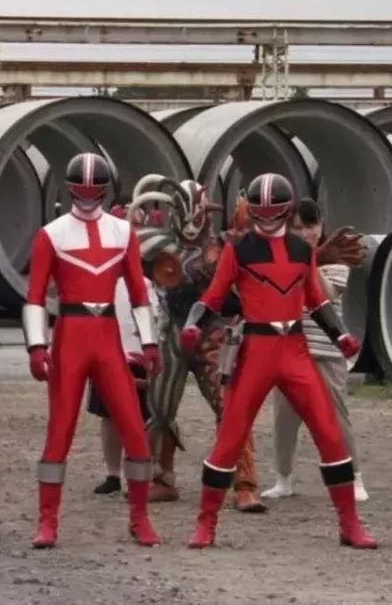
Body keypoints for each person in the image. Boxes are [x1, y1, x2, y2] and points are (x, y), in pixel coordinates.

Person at [180, 173, 376, 550]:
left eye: (273, 212)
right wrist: (193, 323)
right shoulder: (239, 249)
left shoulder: (301, 250)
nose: (267, 219)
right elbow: (213, 296)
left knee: (329, 433)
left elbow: (316, 299)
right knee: (230, 437)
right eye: (261, 212)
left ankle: (350, 524)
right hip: (257, 347)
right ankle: (206, 523)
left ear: (285, 211)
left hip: (294, 348)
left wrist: (341, 336)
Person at [22, 152, 163, 549]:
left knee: (133, 427)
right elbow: (35, 296)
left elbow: (138, 292)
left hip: (104, 336)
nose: (87, 196)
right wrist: (36, 345)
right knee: (60, 430)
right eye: (82, 190)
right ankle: (47, 521)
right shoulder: (51, 234)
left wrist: (149, 341)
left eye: (93, 189)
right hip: (72, 334)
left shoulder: (122, 232)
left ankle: (139, 518)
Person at [127, 177, 266, 511]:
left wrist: (318, 254)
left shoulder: (227, 244)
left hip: (214, 333)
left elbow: (270, 252)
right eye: (184, 216)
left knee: (230, 405)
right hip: (173, 331)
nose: (191, 225)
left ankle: (244, 483)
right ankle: (161, 477)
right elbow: (127, 250)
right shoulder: (155, 243)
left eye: (197, 216)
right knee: (160, 407)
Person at [262, 198, 370, 503]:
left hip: (326, 352)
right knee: (284, 420)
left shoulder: (336, 261)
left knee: (336, 417)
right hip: (287, 350)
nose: (304, 232)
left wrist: (310, 258)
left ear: (321, 226)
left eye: (309, 225)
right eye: (295, 227)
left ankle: (354, 477)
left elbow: (323, 293)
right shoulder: (279, 259)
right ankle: (283, 479)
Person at [90, 272, 158, 496]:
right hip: (106, 354)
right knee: (108, 416)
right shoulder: (97, 281)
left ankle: (142, 472)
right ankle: (113, 474)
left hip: (138, 355)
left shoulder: (146, 283)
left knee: (144, 417)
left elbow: (155, 318)